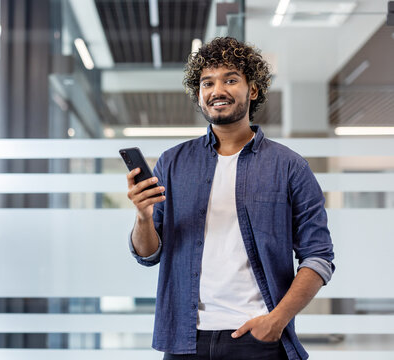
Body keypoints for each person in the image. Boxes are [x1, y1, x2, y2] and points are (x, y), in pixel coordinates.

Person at [126, 37, 335, 360]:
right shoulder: (173, 162)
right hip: (185, 338)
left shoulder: (289, 166)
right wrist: (142, 216)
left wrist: (276, 321)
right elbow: (148, 254)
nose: (217, 90)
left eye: (230, 79)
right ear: (199, 93)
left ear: (252, 90)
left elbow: (318, 257)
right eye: (207, 82)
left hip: (258, 338)